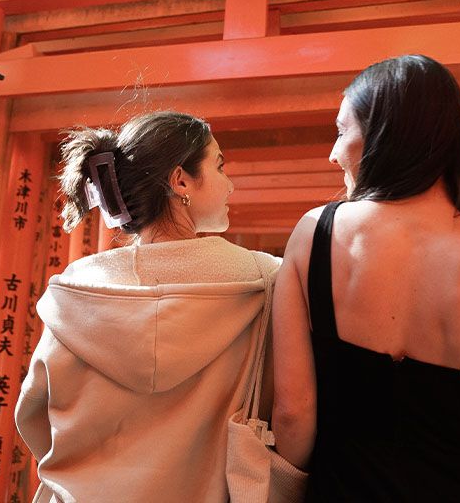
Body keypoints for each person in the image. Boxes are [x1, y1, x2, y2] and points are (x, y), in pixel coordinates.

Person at [271, 55, 460, 502]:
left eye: (342, 131)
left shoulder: (316, 233)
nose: (332, 152)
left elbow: (293, 414)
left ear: (386, 135)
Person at [15, 111, 279, 503]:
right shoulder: (264, 279)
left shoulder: (76, 293)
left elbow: (34, 418)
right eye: (220, 166)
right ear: (181, 180)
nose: (230, 184)